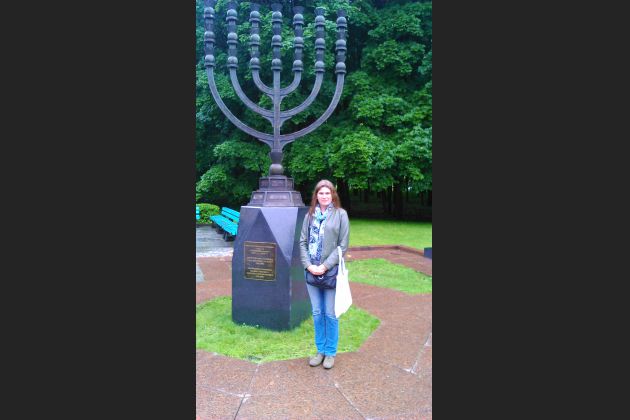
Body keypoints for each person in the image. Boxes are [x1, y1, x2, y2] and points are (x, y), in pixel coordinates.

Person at [299, 179, 350, 369]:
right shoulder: (310, 215)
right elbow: (302, 242)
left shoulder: (341, 215)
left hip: (330, 273)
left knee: (330, 313)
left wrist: (325, 266)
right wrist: (308, 265)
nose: (324, 196)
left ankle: (330, 352)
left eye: (327, 193)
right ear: (316, 195)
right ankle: (320, 350)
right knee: (317, 313)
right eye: (321, 193)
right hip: (311, 271)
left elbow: (343, 245)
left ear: (333, 194)